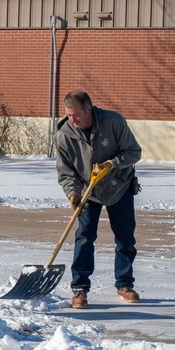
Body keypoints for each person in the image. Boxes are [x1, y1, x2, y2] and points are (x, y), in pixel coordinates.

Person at [55, 90, 141, 309]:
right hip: (88, 191)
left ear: (88, 109)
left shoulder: (113, 122)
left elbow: (134, 152)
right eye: (68, 115)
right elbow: (66, 174)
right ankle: (79, 289)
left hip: (118, 187)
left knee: (125, 237)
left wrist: (112, 164)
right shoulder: (64, 135)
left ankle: (124, 284)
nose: (72, 120)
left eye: (76, 115)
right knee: (84, 237)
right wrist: (73, 195)